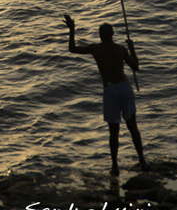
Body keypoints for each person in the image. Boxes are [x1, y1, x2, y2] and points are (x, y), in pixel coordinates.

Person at [63, 14, 149, 176]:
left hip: (110, 91)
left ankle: (115, 166)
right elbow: (135, 67)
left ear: (100, 36)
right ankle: (143, 161)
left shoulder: (96, 49)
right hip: (124, 88)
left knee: (113, 131)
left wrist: (72, 30)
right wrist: (132, 49)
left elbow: (72, 49)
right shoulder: (121, 49)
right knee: (133, 127)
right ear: (113, 34)